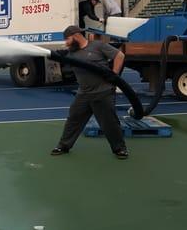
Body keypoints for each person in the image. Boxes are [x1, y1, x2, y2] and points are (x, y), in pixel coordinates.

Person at [51, 25, 129, 159]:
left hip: (103, 92)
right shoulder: (71, 53)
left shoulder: (97, 46)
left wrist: (114, 74)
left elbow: (119, 55)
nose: (66, 43)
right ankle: (64, 145)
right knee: (73, 119)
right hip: (84, 94)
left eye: (67, 39)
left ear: (76, 36)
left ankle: (119, 149)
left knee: (109, 123)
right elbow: (62, 58)